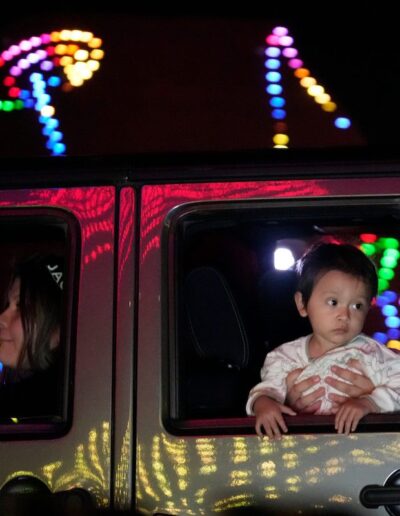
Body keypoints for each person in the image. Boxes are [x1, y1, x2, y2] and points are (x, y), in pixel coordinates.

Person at [246, 242, 400, 439]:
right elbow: (267, 391)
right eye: (333, 302)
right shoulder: (284, 357)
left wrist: (370, 402)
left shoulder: (375, 354)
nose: (344, 315)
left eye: (357, 305)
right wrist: (263, 404)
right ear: (302, 304)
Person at [0, 253, 64, 418]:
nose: (2, 318)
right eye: (8, 305)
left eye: (20, 306)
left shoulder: (37, 408)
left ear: (58, 331)